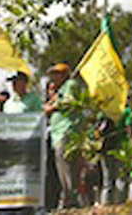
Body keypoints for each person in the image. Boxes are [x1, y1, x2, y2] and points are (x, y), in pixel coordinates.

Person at [43, 63, 81, 209]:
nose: (53, 77)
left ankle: (70, 199)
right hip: (58, 133)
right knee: (62, 167)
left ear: (64, 75)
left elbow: (69, 101)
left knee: (67, 166)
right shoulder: (60, 91)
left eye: (57, 74)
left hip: (67, 131)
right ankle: (67, 197)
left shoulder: (70, 85)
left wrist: (51, 107)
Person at [98, 105, 132, 205]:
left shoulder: (103, 111)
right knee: (120, 179)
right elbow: (129, 128)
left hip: (105, 148)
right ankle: (119, 205)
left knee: (107, 181)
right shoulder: (126, 111)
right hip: (121, 148)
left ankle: (105, 206)